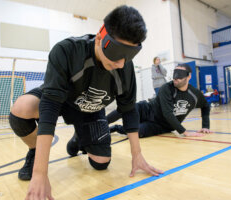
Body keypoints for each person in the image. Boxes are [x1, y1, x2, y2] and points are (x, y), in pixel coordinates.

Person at [9, 5, 163, 200]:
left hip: (91, 109)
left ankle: (79, 138)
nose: (121, 64)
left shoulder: (125, 67)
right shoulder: (67, 50)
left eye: (129, 56)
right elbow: (49, 107)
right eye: (116, 54)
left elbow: (129, 110)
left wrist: (137, 154)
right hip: (61, 98)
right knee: (21, 109)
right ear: (100, 38)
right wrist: (41, 173)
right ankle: (33, 150)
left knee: (101, 162)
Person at [108, 63, 213, 138]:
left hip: (161, 125)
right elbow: (168, 113)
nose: (176, 77)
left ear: (189, 76)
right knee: (125, 108)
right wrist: (184, 132)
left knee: (135, 132)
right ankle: (102, 123)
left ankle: (115, 128)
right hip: (147, 110)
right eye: (175, 73)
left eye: (180, 74)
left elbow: (205, 106)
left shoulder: (194, 94)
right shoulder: (166, 88)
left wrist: (205, 126)